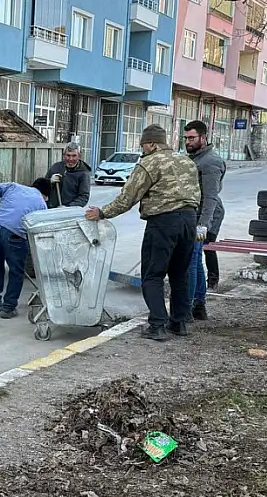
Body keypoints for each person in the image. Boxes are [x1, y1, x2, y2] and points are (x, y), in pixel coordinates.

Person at [85, 125, 201, 341]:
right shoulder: (187, 161)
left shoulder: (149, 163)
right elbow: (197, 192)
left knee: (152, 275)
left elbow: (127, 198)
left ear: (152, 143)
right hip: (189, 220)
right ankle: (180, 323)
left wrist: (102, 213)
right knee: (179, 275)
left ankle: (157, 325)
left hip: (163, 222)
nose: (143, 148)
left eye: (144, 144)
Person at [0, 178, 50, 318]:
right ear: (46, 195)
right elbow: (38, 232)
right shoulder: (41, 203)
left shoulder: (15, 187)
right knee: (16, 272)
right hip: (14, 234)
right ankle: (8, 308)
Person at [182, 120, 225, 321]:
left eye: (192, 138)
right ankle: (199, 305)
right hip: (196, 215)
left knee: (190, 261)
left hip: (204, 217)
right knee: (196, 261)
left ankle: (187, 309)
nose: (188, 142)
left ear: (203, 137)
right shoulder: (195, 158)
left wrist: (203, 225)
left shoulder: (210, 162)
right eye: (186, 138)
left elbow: (210, 197)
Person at [44, 143, 92, 208]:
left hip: (70, 213)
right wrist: (49, 181)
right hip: (51, 209)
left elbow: (83, 197)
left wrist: (67, 208)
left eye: (74, 156)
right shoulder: (55, 167)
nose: (71, 159)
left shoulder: (83, 173)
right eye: (68, 155)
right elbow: (42, 190)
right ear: (64, 155)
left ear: (79, 156)